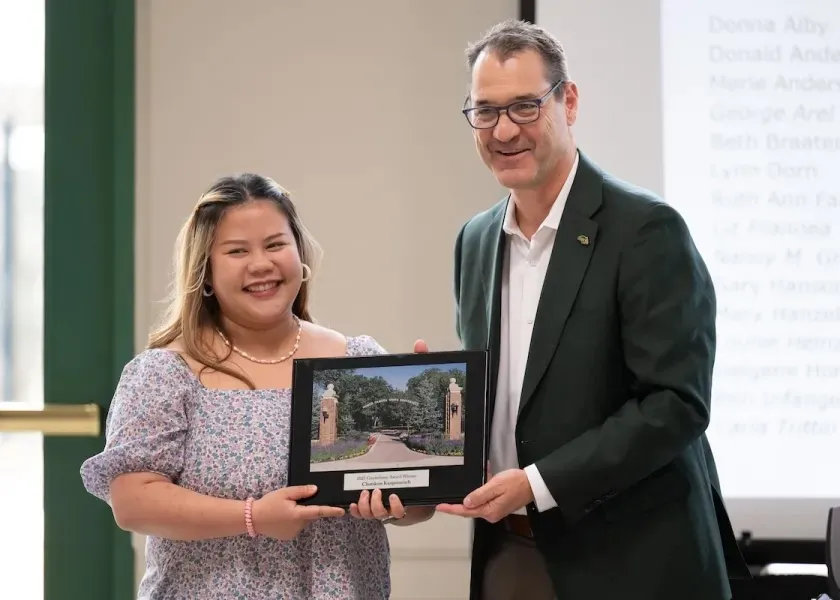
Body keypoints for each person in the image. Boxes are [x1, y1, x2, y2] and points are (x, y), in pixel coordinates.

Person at [424, 19, 751, 600]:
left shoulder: (646, 230)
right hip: (508, 554)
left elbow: (676, 403)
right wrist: (432, 413)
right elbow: (504, 404)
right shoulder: (473, 241)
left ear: (568, 101)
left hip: (633, 562)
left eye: (525, 107)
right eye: (485, 111)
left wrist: (538, 483)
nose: (503, 130)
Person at [80, 173, 434, 599]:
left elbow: (417, 504)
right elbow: (133, 502)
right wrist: (253, 516)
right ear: (205, 272)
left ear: (298, 254)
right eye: (236, 251)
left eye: (274, 244)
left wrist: (402, 498)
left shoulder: (354, 360)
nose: (261, 264)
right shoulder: (166, 372)